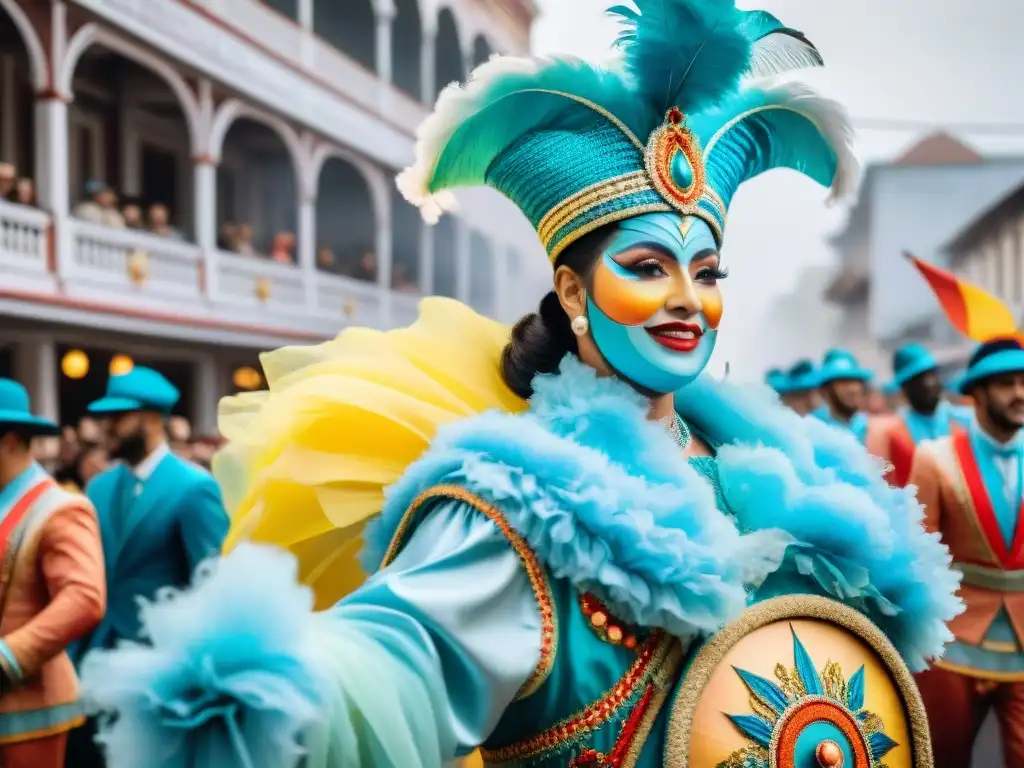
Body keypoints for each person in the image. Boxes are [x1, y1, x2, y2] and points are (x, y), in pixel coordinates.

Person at [79, 4, 960, 766]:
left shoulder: (784, 477)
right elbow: (403, 656)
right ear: (574, 292)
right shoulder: (521, 503)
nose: (688, 301)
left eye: (708, 271)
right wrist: (269, 698)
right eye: (649, 267)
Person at [65, 366, 229, 768]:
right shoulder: (99, 487)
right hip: (93, 663)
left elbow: (211, 586)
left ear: (152, 419)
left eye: (117, 417)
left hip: (159, 673)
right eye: (104, 417)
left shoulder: (194, 487)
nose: (105, 427)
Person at [904, 255, 1024, 767]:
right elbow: (917, 553)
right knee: (941, 758)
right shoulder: (935, 459)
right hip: (952, 641)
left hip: (1023, 642)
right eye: (1004, 383)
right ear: (975, 394)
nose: (1019, 393)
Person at [0, 379, 105, 768]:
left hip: (27, 713)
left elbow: (84, 598)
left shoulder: (59, 508)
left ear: (11, 440)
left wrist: (8, 658)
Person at [872, 343, 970, 487]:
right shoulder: (895, 434)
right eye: (918, 379)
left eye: (931, 375)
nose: (928, 384)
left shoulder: (965, 421)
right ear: (904, 388)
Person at [813, 348, 874, 442]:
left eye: (856, 381)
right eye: (844, 382)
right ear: (825, 391)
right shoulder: (815, 432)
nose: (853, 389)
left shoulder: (869, 428)